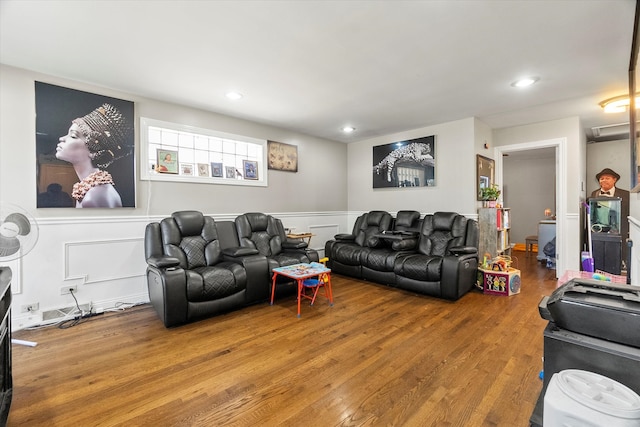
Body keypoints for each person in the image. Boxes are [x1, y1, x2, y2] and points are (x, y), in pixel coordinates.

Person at [56, 104, 132, 208]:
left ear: (94, 149)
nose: (62, 138)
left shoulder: (95, 196)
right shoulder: (92, 190)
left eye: (73, 136)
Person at [589, 168, 630, 268]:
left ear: (614, 180)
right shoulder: (594, 194)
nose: (603, 180)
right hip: (599, 231)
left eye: (607, 178)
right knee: (600, 256)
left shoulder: (625, 194)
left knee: (617, 258)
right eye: (601, 179)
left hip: (619, 231)